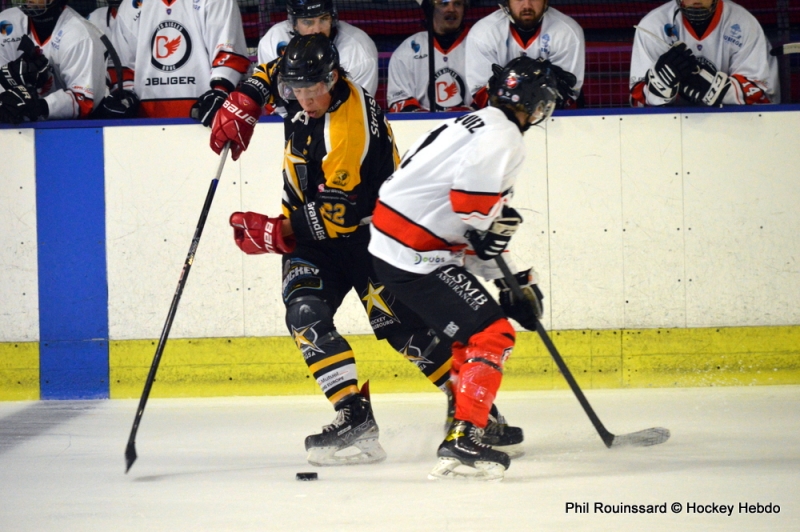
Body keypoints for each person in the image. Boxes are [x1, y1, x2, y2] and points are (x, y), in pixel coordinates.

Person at [208, 34, 523, 466]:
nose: (304, 98)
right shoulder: (306, 77)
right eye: (296, 90)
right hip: (314, 246)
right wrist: (248, 95)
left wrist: (274, 233)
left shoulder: (347, 129)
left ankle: (478, 412)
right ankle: (352, 415)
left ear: (332, 78)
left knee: (407, 331)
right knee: (304, 315)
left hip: (368, 238)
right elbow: (277, 64)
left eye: (312, 89)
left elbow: (335, 216)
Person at [369, 57, 557, 480]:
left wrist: (512, 282)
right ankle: (465, 437)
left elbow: (468, 229)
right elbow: (471, 209)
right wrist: (493, 239)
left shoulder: (474, 122)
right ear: (534, 103)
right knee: (493, 333)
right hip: (416, 255)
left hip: (398, 247)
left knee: (470, 335)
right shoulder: (506, 137)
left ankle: (470, 421)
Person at [109, 0, 250, 121]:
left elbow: (229, 51)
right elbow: (122, 65)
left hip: (206, 117)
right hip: (145, 124)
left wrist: (220, 90)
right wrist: (126, 97)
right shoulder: (131, 6)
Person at [629, 0, 779, 107]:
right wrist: (660, 87)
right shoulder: (653, 26)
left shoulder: (744, 23)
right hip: (671, 128)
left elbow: (759, 93)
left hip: (731, 126)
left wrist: (715, 89)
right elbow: (638, 100)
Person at [0, 0, 109, 123]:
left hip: (74, 128)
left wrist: (40, 107)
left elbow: (84, 101)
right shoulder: (7, 22)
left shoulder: (80, 35)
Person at [465, 0, 583, 109]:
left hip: (555, 120)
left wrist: (508, 87)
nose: (527, 5)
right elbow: (481, 98)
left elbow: (567, 96)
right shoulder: (482, 34)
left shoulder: (568, 32)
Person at [257, 0, 378, 98]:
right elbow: (275, 102)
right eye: (307, 22)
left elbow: (356, 106)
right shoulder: (273, 41)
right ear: (293, 24)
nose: (317, 30)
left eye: (324, 19)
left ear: (332, 19)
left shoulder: (359, 51)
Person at [387, 0, 471, 113]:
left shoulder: (479, 44)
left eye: (457, 4)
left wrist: (470, 110)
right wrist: (424, 118)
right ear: (431, 9)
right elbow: (398, 99)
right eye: (444, 3)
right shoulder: (408, 49)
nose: (451, 9)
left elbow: (488, 95)